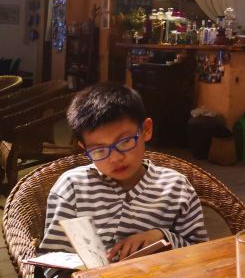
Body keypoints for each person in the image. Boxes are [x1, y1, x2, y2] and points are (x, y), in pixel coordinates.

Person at [39, 83, 208, 274]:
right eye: (99, 150)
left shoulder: (177, 188)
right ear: (84, 149)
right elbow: (51, 263)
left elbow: (202, 253)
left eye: (125, 141)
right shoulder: (71, 187)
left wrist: (162, 236)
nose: (115, 158)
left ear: (146, 130)